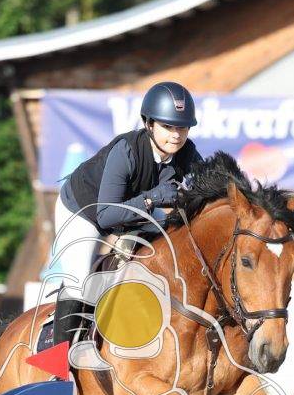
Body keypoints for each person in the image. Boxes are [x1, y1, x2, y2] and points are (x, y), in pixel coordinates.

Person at [45, 81, 203, 347]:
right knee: (79, 283)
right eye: (168, 127)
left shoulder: (186, 152)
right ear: (149, 124)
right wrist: (152, 199)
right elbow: (106, 216)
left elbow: (210, 185)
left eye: (182, 127)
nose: (176, 135)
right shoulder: (127, 151)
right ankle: (58, 357)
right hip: (84, 211)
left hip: (132, 211)